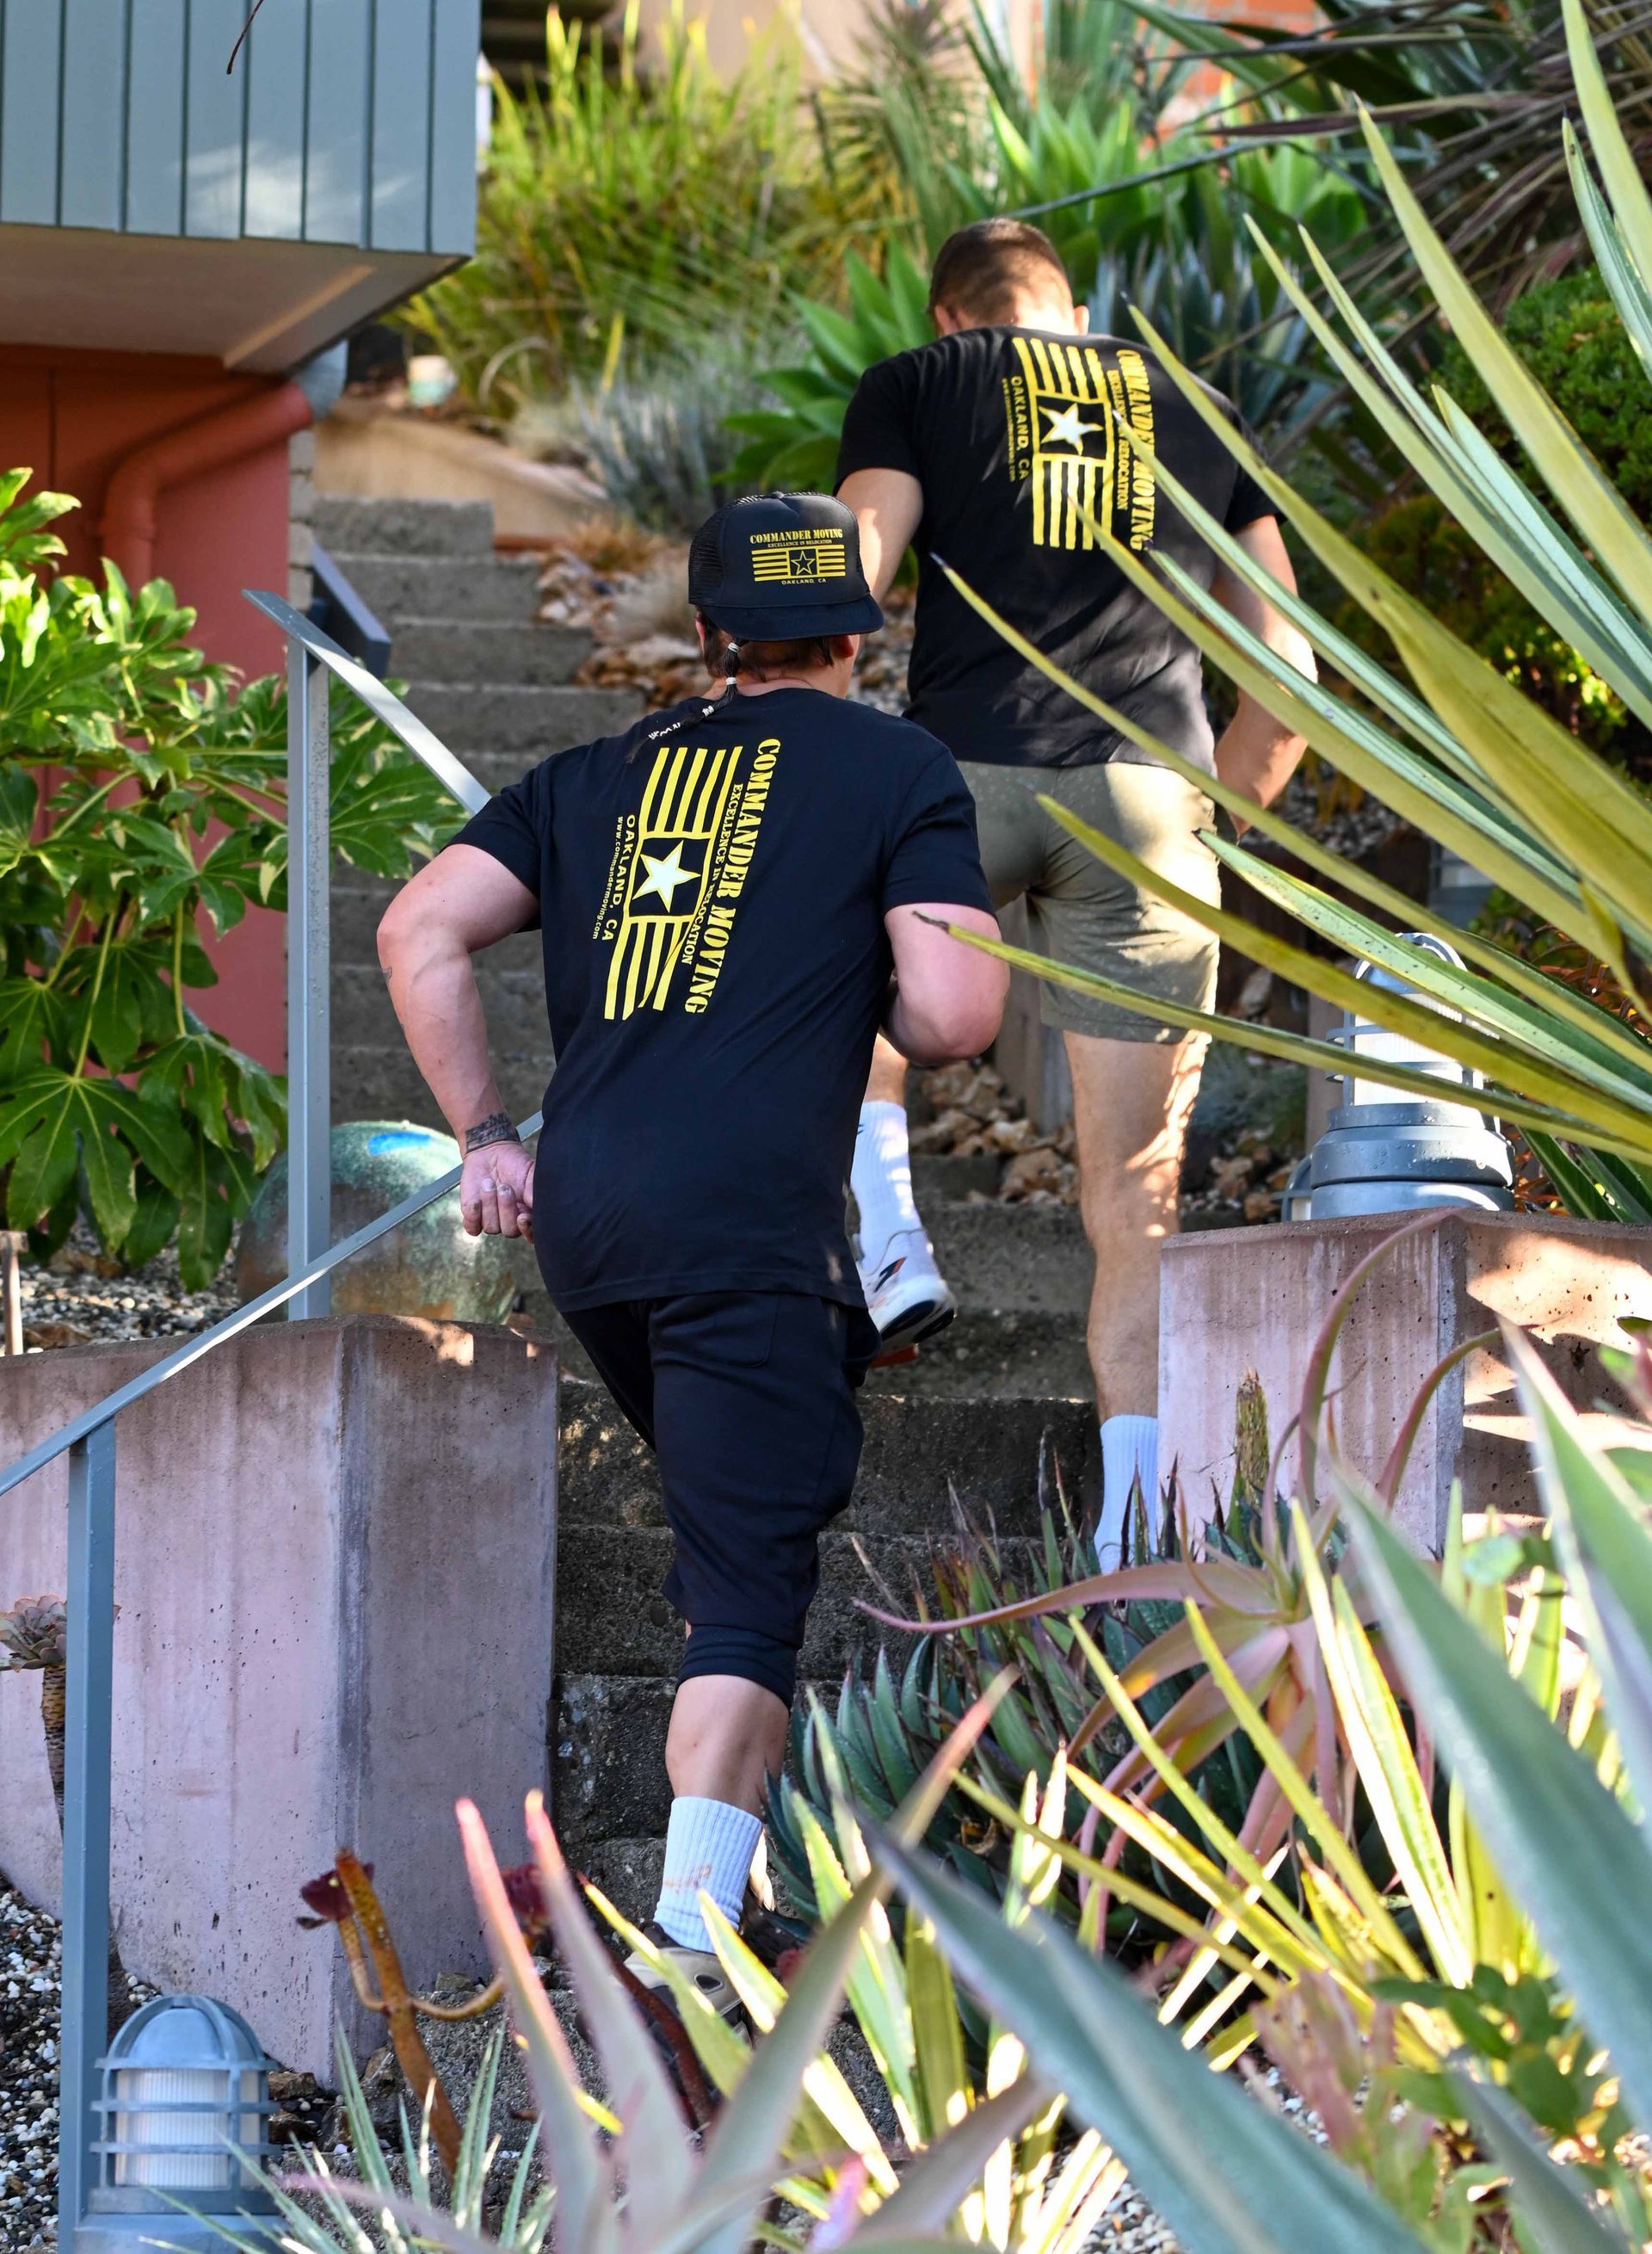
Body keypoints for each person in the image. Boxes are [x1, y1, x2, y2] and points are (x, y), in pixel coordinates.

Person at [375, 491, 1005, 2018]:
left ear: (713, 633)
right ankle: (691, 1946)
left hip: (591, 1220)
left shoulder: (594, 774)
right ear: (856, 631)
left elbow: (415, 933)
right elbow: (955, 1016)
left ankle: (727, 1886)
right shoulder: (894, 766)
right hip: (744, 1225)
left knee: (729, 1525)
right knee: (746, 1593)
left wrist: (486, 1137)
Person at [835, 215, 1316, 1548]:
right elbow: (1294, 665)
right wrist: (1225, 810)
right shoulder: (1199, 401)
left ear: (956, 318)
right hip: (1149, 803)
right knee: (1137, 1198)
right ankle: (1129, 1526)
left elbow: (853, 576)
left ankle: (886, 1232)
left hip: (962, 778)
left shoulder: (918, 384)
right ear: (1069, 304)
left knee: (848, 981)